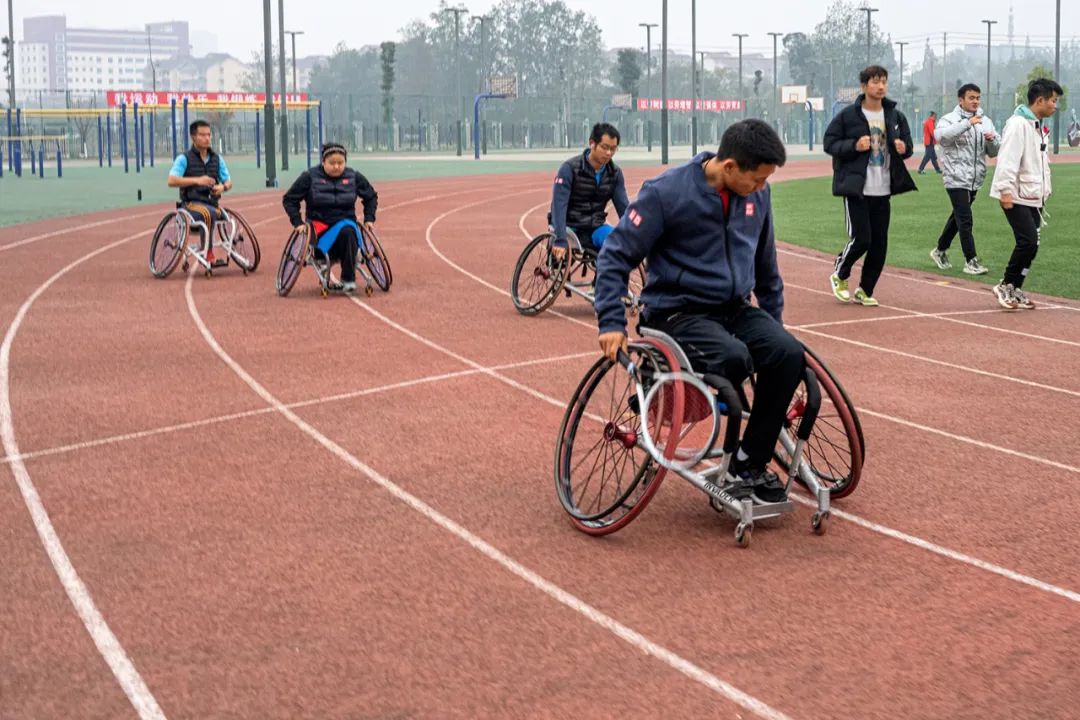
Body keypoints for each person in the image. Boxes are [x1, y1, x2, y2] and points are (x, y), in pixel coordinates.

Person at [594, 119, 800, 505]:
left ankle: (747, 463)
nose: (761, 188)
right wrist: (610, 321)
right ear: (729, 167)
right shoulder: (666, 194)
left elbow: (766, 269)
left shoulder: (759, 197)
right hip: (677, 313)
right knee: (734, 357)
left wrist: (775, 326)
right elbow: (615, 256)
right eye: (756, 179)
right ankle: (658, 397)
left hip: (734, 309)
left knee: (788, 354)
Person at [825, 65, 916, 307]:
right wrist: (855, 145)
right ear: (864, 86)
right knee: (862, 239)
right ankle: (840, 273)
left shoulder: (895, 116)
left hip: (884, 188)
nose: (881, 86)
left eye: (884, 81)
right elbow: (830, 143)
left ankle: (865, 290)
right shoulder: (848, 116)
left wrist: (903, 149)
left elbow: (908, 145)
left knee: (879, 244)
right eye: (875, 82)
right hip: (857, 188)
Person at [988, 78, 1063, 310]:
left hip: (1034, 196)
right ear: (1039, 100)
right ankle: (1005, 284)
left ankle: (1016, 287)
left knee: (1033, 245)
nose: (1054, 105)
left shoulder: (1037, 126)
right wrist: (1005, 191)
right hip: (1017, 195)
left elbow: (1041, 163)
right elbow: (1008, 159)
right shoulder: (1018, 124)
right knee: (1027, 241)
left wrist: (1045, 189)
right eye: (1052, 100)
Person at [282, 143, 378, 294]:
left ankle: (348, 279)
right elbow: (289, 199)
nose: (337, 167)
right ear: (323, 162)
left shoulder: (353, 177)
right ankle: (343, 273)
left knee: (348, 230)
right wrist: (297, 222)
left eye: (340, 163)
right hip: (319, 231)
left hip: (347, 229)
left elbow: (371, 196)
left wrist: (369, 218)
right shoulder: (309, 177)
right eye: (332, 163)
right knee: (347, 231)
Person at [929, 83, 1000, 276]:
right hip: (955, 177)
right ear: (961, 100)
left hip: (975, 179)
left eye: (978, 97)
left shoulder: (986, 121)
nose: (975, 101)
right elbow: (941, 137)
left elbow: (994, 152)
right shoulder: (948, 119)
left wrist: (993, 139)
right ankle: (971, 260)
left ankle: (939, 250)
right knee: (965, 219)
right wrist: (968, 123)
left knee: (958, 218)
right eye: (971, 98)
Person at [549, 122, 629, 262]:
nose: (609, 153)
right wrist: (560, 238)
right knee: (559, 257)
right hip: (570, 227)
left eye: (613, 149)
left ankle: (600, 283)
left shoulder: (615, 174)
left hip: (595, 227)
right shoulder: (569, 169)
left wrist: (638, 235)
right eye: (605, 147)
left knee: (617, 243)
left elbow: (624, 208)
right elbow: (558, 206)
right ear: (592, 143)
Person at [167, 119, 232, 265]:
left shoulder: (217, 159)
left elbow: (228, 181)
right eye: (202, 135)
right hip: (190, 204)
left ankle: (231, 253)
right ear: (193, 137)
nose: (207, 138)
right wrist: (197, 180)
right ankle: (208, 252)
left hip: (212, 203)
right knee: (208, 213)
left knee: (224, 216)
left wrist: (223, 187)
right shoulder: (184, 159)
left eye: (209, 135)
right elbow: (171, 180)